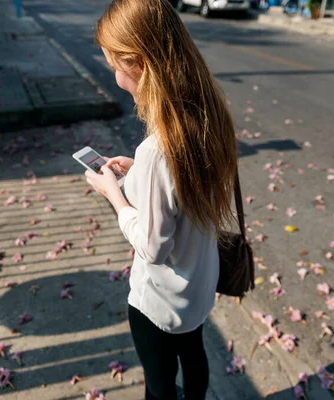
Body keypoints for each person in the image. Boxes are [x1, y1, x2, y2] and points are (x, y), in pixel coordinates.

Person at [83, 0, 238, 399]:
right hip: (199, 285)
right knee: (195, 357)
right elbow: (184, 191)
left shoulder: (159, 148)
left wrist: (113, 194)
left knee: (160, 382)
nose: (116, 78)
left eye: (115, 66)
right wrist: (138, 173)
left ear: (136, 63)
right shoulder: (206, 115)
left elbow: (153, 247)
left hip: (162, 299)